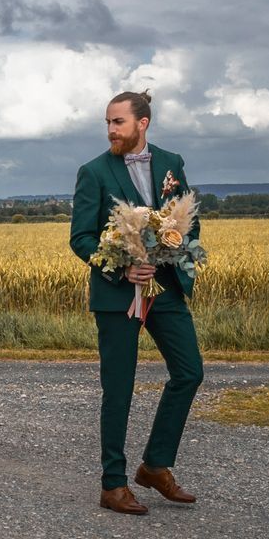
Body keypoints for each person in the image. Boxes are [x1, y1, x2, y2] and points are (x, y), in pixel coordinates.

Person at [69, 90, 205, 515]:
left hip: (165, 288)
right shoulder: (93, 172)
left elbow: (190, 222)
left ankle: (155, 465)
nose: (111, 130)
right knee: (119, 388)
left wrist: (173, 245)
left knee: (190, 372)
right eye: (108, 123)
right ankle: (113, 485)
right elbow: (81, 238)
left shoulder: (172, 163)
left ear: (142, 123)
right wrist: (122, 268)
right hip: (117, 296)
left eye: (118, 122)